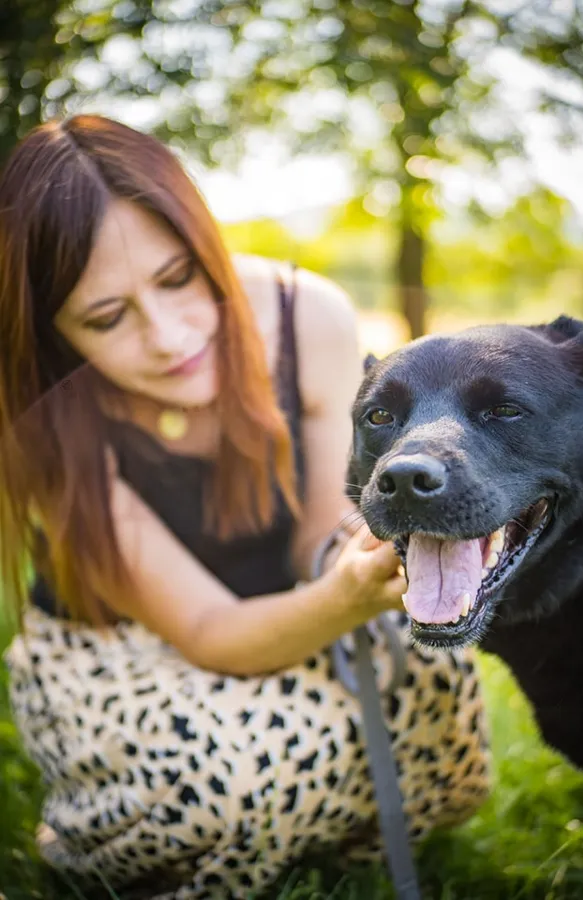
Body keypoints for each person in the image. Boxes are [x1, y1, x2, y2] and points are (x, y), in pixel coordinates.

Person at [0, 115, 491, 900]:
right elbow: (210, 632)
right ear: (56, 333)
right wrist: (337, 599)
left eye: (177, 277)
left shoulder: (307, 317)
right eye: (105, 317)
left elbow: (317, 533)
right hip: (124, 648)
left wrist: (348, 556)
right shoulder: (49, 423)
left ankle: (300, 813)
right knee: (224, 781)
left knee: (431, 677)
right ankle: (107, 827)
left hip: (280, 603)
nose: (167, 336)